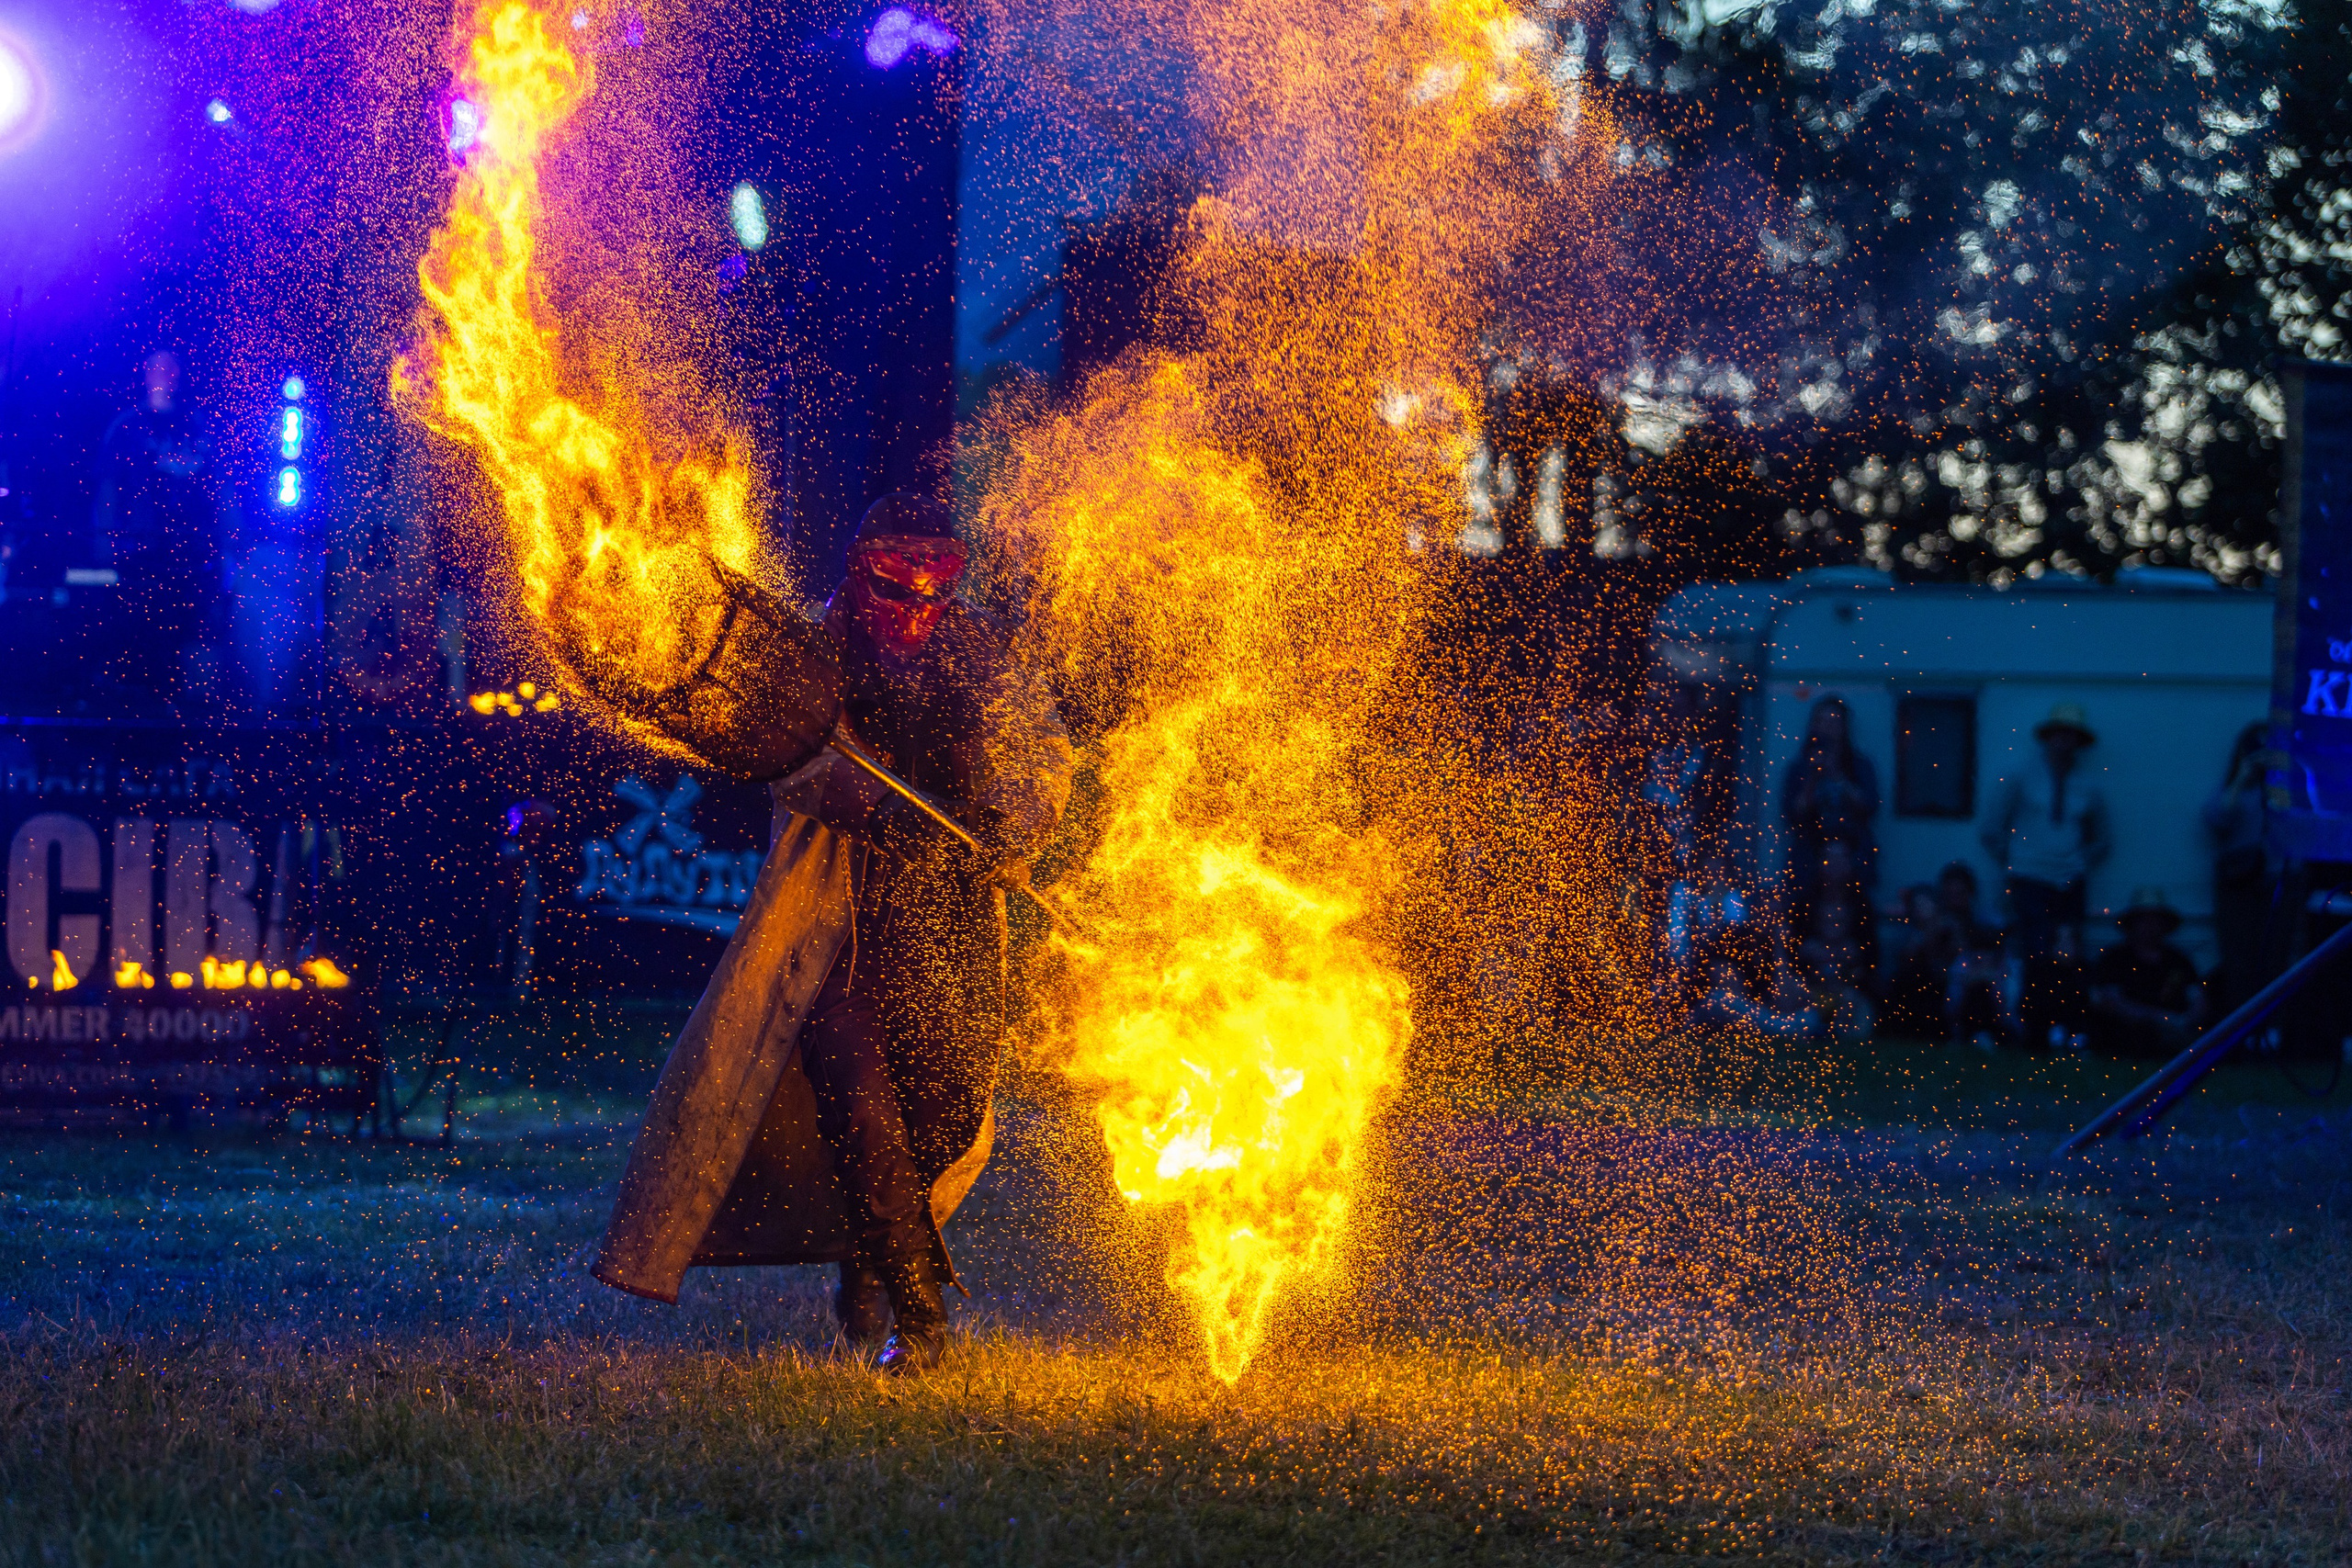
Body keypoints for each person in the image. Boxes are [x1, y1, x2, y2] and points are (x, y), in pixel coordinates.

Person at [595, 494, 1073, 1371]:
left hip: (952, 910)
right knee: (863, 1106)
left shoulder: (982, 653)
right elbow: (791, 764)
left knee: (947, 1109)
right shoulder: (806, 657)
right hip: (841, 915)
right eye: (900, 588)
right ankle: (922, 1320)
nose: (918, 611)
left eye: (937, 591)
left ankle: (871, 1257)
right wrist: (868, 802)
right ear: (862, 576)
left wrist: (1014, 825)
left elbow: (1040, 752)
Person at [92, 351, 232, 710]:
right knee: (145, 635)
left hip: (194, 552)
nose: (163, 375)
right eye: (155, 368)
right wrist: (104, 540)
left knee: (194, 634)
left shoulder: (197, 424)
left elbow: (218, 486)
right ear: (144, 374)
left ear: (179, 376)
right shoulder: (127, 425)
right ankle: (142, 714)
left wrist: (233, 535)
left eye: (169, 369)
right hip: (143, 550)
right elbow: (109, 486)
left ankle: (191, 719)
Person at [1979, 702, 2108, 1043]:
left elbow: (2103, 837)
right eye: (2059, 734)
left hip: (2069, 880)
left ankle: (2065, 1028)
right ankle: (2032, 1030)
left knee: (2068, 955)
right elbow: (1992, 828)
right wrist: (2016, 860)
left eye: (2071, 735)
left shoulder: (2089, 785)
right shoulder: (2020, 775)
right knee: (2035, 952)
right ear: (2048, 737)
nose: (2064, 742)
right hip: (2029, 879)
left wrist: (2080, 860)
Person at [1781, 694, 1881, 911]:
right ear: (1813, 726)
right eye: (1822, 722)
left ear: (1844, 727)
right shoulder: (1798, 769)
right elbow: (1793, 815)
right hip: (1809, 860)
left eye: (1834, 722)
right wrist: (1813, 778)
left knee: (1855, 917)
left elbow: (1870, 807)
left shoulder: (1861, 766)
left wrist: (1837, 776)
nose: (1827, 729)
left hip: (1854, 859)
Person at [2202, 721, 2273, 1016]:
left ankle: (2272, 1031)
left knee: (2275, 955)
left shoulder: (2288, 792)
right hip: (2238, 881)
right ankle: (2240, 1028)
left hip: (2277, 879)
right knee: (2238, 957)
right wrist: (2242, 778)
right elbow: (2217, 819)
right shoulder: (2235, 789)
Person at [2088, 889, 2207, 1057]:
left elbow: (2198, 998)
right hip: (2130, 1035)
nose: (2150, 926)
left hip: (2178, 1032)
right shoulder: (2115, 959)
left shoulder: (2179, 960)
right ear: (2132, 924)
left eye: (2155, 920)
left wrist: (2185, 1022)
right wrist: (2156, 1019)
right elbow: (2109, 1001)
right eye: (2144, 920)